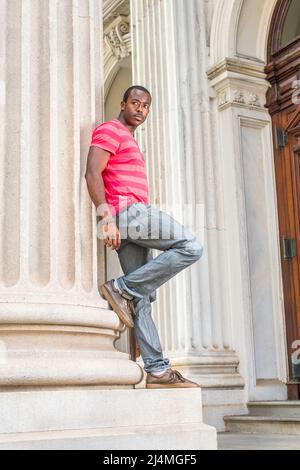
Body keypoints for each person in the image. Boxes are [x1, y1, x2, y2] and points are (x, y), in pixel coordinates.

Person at [85, 85, 203, 388]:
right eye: (135, 103)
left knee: (141, 301)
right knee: (191, 245)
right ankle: (121, 288)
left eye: (146, 106)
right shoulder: (110, 129)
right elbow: (92, 173)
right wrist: (105, 218)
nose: (141, 109)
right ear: (123, 103)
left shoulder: (130, 140)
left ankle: (157, 370)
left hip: (130, 218)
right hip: (128, 213)